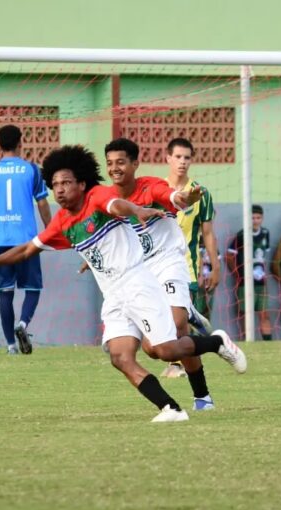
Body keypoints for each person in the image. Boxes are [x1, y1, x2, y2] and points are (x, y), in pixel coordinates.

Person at [0, 145, 246, 422]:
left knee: (164, 351)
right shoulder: (61, 222)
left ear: (81, 184)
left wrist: (137, 210)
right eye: (55, 184)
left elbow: (116, 204)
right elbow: (26, 250)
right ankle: (171, 408)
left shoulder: (96, 197)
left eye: (66, 182)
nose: (59, 189)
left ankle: (216, 342)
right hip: (114, 295)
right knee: (120, 356)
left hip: (138, 283)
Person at [102, 137, 217, 410]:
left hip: (173, 262)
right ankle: (203, 331)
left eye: (120, 162)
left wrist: (184, 197)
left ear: (135, 164)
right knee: (155, 349)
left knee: (177, 327)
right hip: (140, 273)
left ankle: (202, 396)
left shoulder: (154, 186)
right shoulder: (108, 199)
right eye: (110, 163)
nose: (115, 168)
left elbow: (173, 197)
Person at [0, 125, 51, 355]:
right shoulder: (32, 170)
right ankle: (23, 324)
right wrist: (51, 230)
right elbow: (42, 203)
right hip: (26, 240)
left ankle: (11, 346)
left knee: (5, 292)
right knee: (33, 287)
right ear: (21, 142)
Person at [162, 137, 220, 378]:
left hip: (187, 268)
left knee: (178, 322)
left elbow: (207, 233)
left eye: (187, 157)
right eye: (178, 157)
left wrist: (215, 267)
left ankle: (178, 364)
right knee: (167, 320)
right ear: (168, 158)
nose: (182, 162)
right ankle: (194, 325)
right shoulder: (157, 189)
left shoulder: (201, 193)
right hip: (157, 266)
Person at [226, 205, 272, 340]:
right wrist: (237, 274)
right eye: (252, 218)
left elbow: (263, 257)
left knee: (264, 313)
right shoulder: (242, 235)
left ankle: (268, 343)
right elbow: (229, 256)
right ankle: (247, 341)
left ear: (262, 218)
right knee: (245, 314)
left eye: (258, 218)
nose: (255, 220)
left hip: (260, 281)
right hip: (244, 282)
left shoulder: (265, 233)